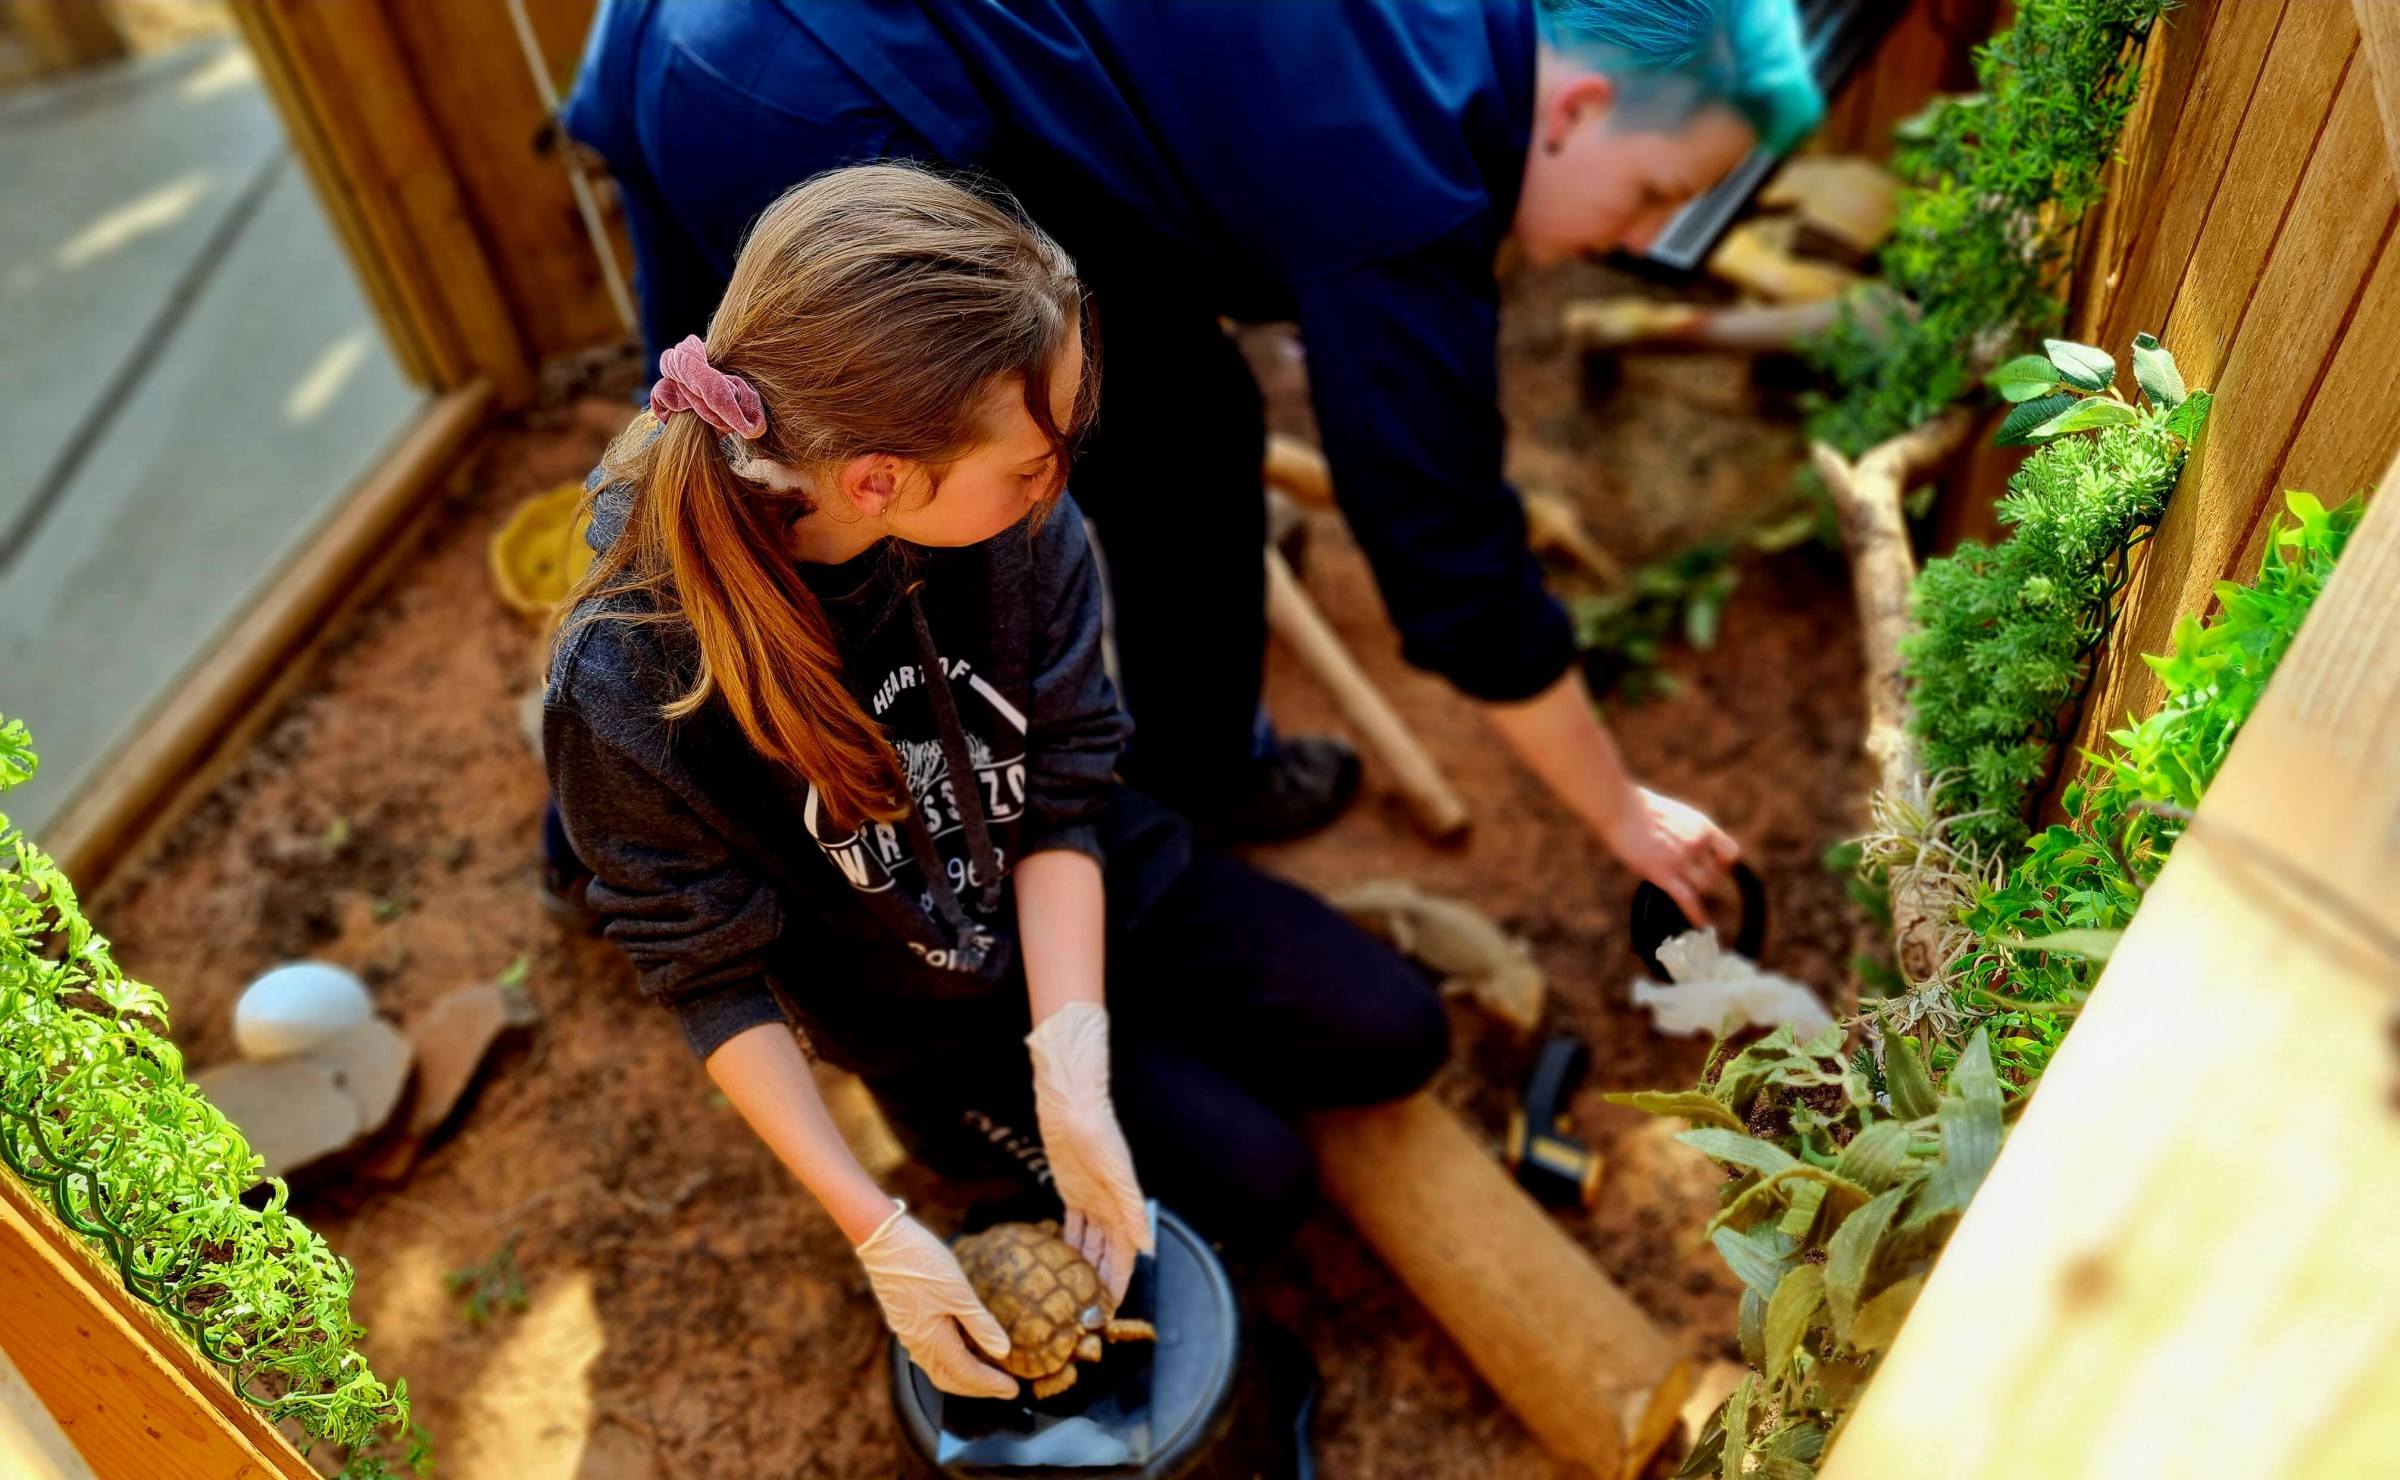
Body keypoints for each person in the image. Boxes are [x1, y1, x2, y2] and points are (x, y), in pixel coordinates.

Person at [560, 0, 1817, 912]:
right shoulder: (1417, 161)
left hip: (710, 38)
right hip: (819, 95)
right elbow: (1445, 548)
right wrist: (1618, 808)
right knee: (827, 488)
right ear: (1581, 108)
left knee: (1172, 421)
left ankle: (1200, 766)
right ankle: (663, 834)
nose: (1639, 232)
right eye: (1655, 190)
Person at [545, 166, 1450, 1397]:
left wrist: (1071, 1057)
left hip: (1085, 881)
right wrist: (875, 1222)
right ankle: (1064, 1110)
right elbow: (704, 971)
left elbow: (1068, 776)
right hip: (931, 1015)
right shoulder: (629, 677)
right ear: (877, 483)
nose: (1058, 484)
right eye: (1032, 460)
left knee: (1399, 1033)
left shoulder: (1014, 525)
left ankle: (1121, 1055)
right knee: (1263, 1187)